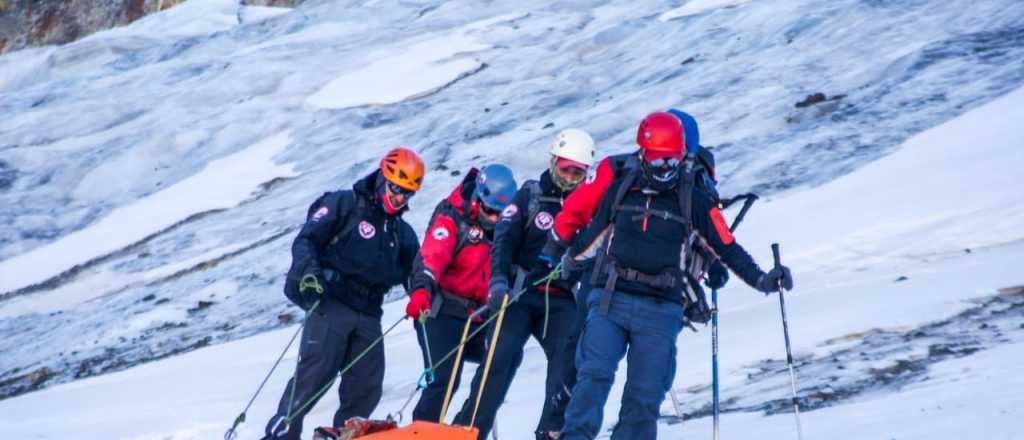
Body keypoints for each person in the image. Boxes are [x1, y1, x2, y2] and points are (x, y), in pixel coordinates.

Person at [542, 112, 794, 440]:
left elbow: (727, 248)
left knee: (643, 399)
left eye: (672, 163)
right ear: (642, 155)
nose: (665, 172)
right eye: (658, 163)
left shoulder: (695, 199)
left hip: (660, 311)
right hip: (610, 300)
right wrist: (568, 260)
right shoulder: (620, 189)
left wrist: (762, 279)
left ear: (682, 158)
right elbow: (594, 235)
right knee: (593, 377)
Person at [263, 148, 425, 440]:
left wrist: (421, 294)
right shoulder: (344, 205)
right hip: (331, 303)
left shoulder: (402, 233)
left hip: (369, 314)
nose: (400, 197)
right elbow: (306, 240)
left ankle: (342, 437)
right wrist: (310, 272)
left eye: (407, 194)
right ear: (382, 177)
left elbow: (416, 271)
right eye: (396, 189)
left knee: (366, 387)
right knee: (312, 380)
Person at [452, 130, 596, 440]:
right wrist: (499, 281)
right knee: (498, 361)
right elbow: (504, 240)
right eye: (565, 168)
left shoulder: (588, 207)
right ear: (553, 161)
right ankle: (467, 432)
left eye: (577, 172)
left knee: (568, 363)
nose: (570, 177)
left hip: (560, 299)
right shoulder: (530, 196)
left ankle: (551, 432)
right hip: (517, 294)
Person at [407, 164, 518, 424]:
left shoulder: (507, 230)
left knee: (506, 355)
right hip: (442, 310)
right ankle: (422, 431)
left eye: (499, 214)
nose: (493, 218)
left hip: (479, 316)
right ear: (478, 198)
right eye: (489, 211)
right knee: (445, 377)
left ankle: (469, 427)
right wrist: (421, 290)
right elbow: (433, 255)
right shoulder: (452, 218)